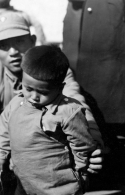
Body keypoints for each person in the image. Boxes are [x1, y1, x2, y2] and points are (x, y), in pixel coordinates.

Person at [0, 11, 103, 193]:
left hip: (49, 158)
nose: (13, 52)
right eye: (3, 45)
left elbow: (75, 104)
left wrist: (92, 142)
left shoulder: (54, 68)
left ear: (32, 40)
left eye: (19, 41)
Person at [63, 0, 125, 185]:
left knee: (118, 107)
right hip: (85, 22)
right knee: (80, 101)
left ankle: (122, 179)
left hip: (114, 25)